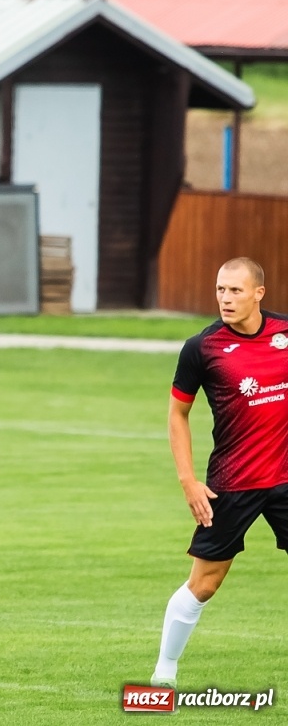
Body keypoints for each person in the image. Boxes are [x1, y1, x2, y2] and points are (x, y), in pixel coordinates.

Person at [152, 256, 288, 687]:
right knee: (205, 584)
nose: (225, 299)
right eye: (220, 290)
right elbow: (177, 415)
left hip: (285, 480)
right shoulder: (202, 348)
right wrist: (188, 481)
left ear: (258, 294)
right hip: (232, 484)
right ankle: (164, 672)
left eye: (235, 290)